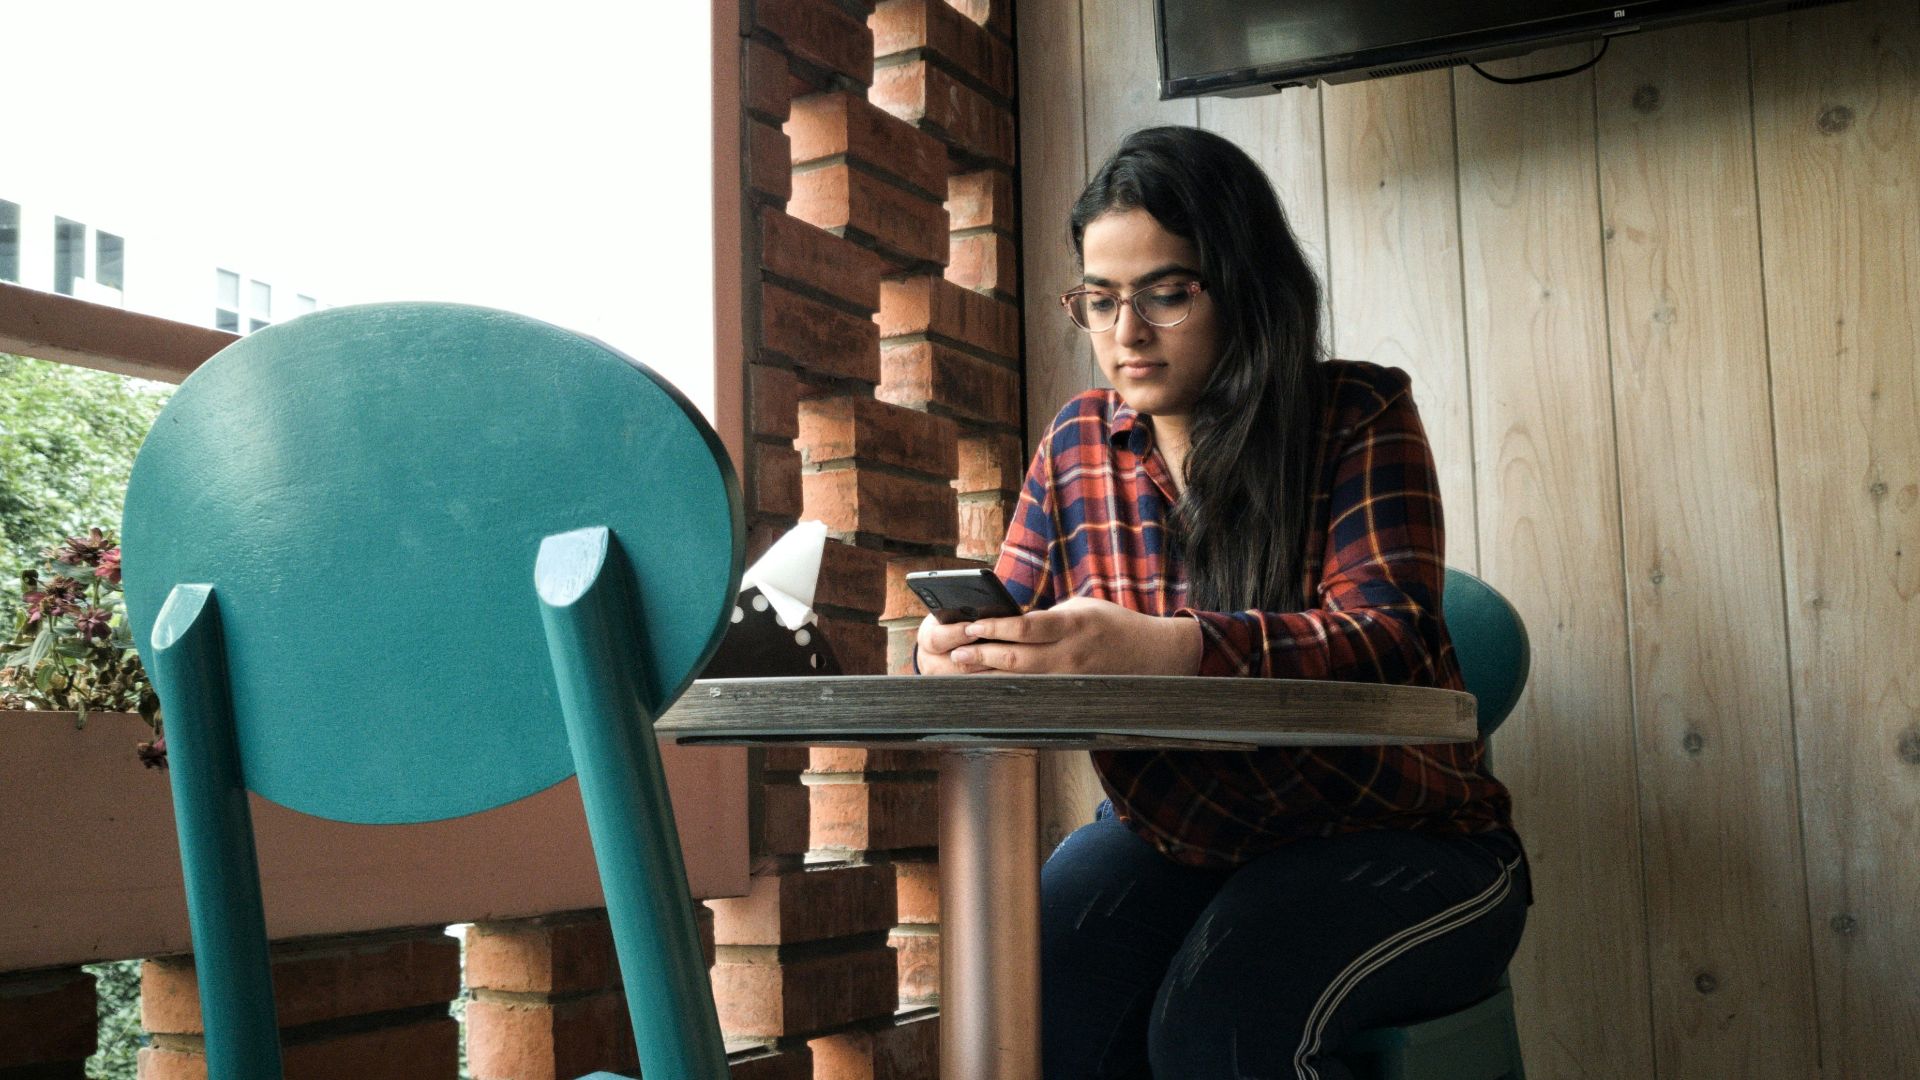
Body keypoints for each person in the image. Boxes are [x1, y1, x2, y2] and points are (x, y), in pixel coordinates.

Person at [915, 126, 1529, 1080]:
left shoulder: (1354, 415)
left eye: (1167, 291)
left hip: (1407, 841)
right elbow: (1018, 628)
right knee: (1028, 1010)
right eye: (1101, 300)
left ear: (1243, 285)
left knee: (1217, 1028)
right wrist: (960, 645)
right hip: (1173, 836)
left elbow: (1389, 635)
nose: (1127, 333)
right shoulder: (1078, 441)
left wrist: (1166, 648)